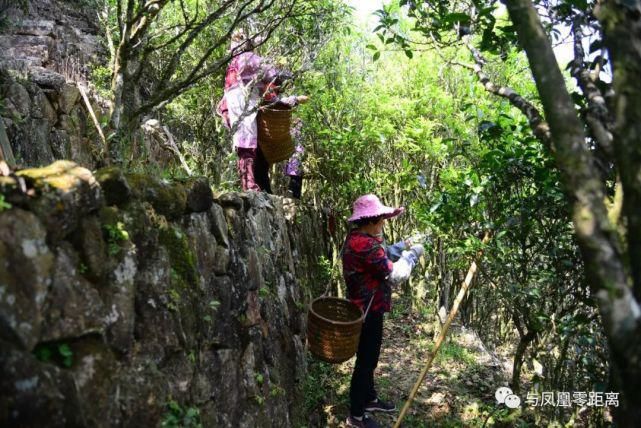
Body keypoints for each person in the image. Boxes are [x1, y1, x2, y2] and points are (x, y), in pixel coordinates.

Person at [342, 194, 425, 428]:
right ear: (371, 221)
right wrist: (412, 255)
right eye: (381, 219)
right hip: (366, 313)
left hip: (368, 308)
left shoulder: (358, 238)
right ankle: (356, 415)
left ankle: (369, 399)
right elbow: (395, 274)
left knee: (370, 357)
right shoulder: (365, 244)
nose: (383, 223)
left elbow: (383, 254)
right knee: (366, 362)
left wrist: (402, 246)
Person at [217, 29, 278, 192]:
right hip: (242, 100)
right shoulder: (249, 58)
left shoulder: (234, 61)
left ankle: (248, 182)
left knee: (244, 143)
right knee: (247, 143)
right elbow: (271, 74)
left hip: (232, 102)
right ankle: (248, 184)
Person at [283, 118, 305, 199]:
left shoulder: (298, 132)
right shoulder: (294, 132)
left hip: (296, 158)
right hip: (294, 158)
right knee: (295, 178)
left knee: (296, 178)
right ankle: (295, 196)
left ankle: (295, 196)